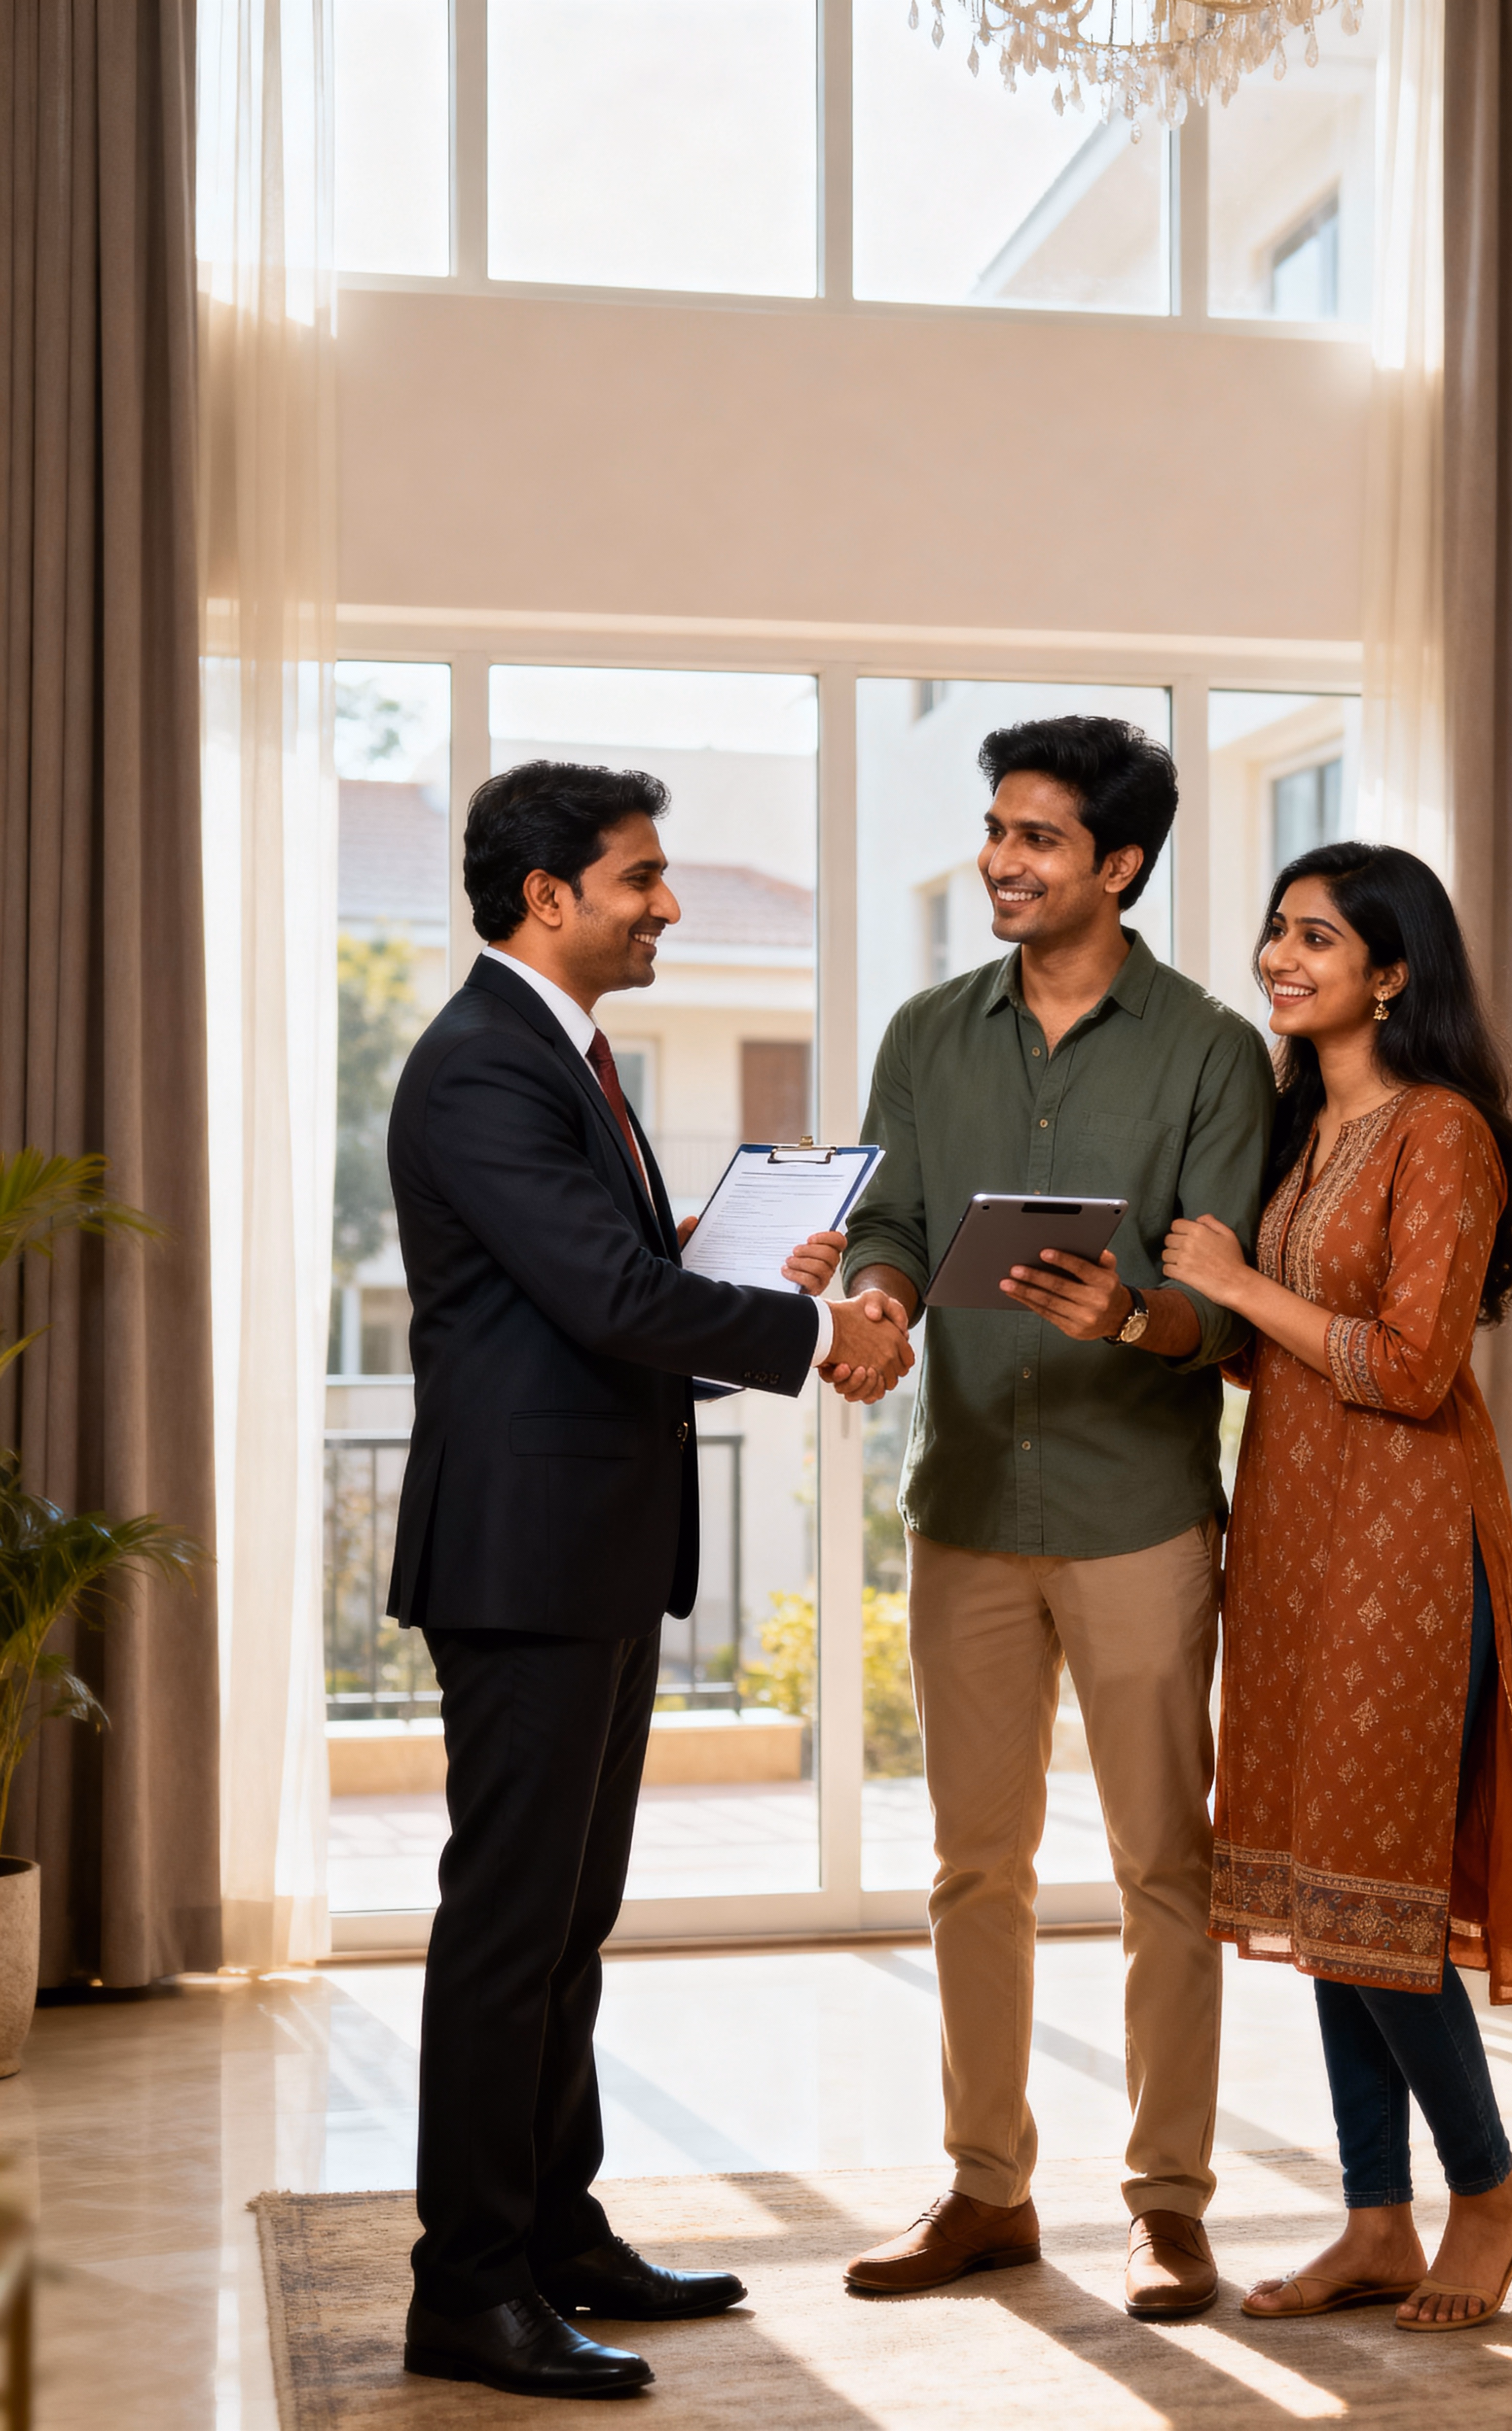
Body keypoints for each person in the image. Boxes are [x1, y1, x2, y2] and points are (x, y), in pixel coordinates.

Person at [386, 759, 914, 2401]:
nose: (668, 903)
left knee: (568, 1926)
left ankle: (557, 2231)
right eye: (642, 877)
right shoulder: (485, 1067)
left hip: (590, 1549)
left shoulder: (562, 1060)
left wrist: (736, 1264)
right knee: (508, 1930)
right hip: (529, 1560)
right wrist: (819, 1332)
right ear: (549, 896)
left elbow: (603, 1288)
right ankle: (466, 2288)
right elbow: (609, 1299)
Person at [832, 716, 1275, 2321]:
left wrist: (1133, 1318)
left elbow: (1227, 1306)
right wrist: (879, 1295)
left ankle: (1169, 2202)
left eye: (1036, 838)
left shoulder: (1214, 1051)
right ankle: (986, 2190)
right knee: (974, 1866)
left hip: (1139, 1511)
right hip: (963, 1499)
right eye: (996, 831)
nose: (1001, 862)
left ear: (1119, 865)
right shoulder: (927, 1034)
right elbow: (885, 1213)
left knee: (1166, 1863)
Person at [1161, 840, 1512, 2333]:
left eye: (1317, 937)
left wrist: (1241, 1284)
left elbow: (1410, 1366)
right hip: (1287, 1535)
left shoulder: (1440, 1131)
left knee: (1377, 1896)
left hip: (1406, 1543)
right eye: (1276, 932)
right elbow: (1263, 1343)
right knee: (1324, 1894)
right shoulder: (1296, 1130)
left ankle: (1492, 2196)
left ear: (1393, 973)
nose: (1282, 957)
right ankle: (1376, 2218)